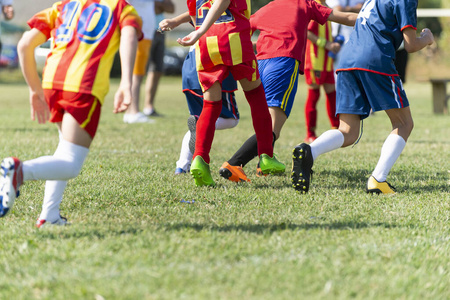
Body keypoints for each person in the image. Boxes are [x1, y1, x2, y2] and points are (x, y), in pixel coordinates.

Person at [0, 0, 142, 226]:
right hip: (83, 86)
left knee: (64, 147)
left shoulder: (63, 6)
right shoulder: (121, 8)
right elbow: (129, 36)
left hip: (51, 82)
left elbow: (25, 44)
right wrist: (126, 83)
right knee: (71, 163)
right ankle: (19, 171)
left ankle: (50, 216)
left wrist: (36, 90)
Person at [291, 0, 434, 194]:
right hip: (375, 59)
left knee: (348, 132)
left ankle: (310, 151)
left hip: (347, 60)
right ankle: (378, 179)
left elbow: (356, 19)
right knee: (404, 124)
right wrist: (426, 38)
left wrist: (325, 13)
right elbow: (410, 45)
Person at [219, 0, 357, 183]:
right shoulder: (305, 4)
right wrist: (374, 19)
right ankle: (234, 164)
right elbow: (346, 17)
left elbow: (241, 32)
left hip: (261, 64)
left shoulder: (267, 8)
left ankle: (263, 165)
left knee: (267, 120)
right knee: (273, 127)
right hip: (284, 62)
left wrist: (260, 44)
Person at [161, 0, 286, 187]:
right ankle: (266, 155)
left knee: (211, 105)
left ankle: (199, 160)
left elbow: (196, 13)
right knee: (255, 95)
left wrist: (200, 30)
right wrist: (199, 30)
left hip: (206, 44)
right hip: (233, 36)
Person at [175, 46, 240, 175]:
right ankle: (201, 125)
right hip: (214, 61)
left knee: (198, 118)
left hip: (190, 68)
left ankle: (182, 166)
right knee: (232, 119)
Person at [303, 0, 341, 143]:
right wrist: (327, 44)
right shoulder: (313, 6)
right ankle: (310, 133)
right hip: (314, 60)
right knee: (314, 95)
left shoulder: (326, 6)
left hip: (327, 61)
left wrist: (334, 42)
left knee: (332, 93)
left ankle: (336, 129)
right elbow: (306, 31)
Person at [123, 0, 156, 124]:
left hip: (146, 33)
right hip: (139, 32)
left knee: (139, 73)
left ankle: (132, 110)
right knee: (135, 74)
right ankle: (132, 111)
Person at [142, 0, 174, 117]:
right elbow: (150, 7)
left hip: (160, 32)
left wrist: (158, 5)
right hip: (145, 31)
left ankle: (148, 107)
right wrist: (161, 6)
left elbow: (171, 8)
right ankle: (131, 107)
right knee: (139, 71)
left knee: (156, 70)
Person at [326, 0, 365, 68]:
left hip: (356, 34)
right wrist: (355, 8)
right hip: (338, 37)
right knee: (337, 67)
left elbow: (364, 9)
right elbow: (338, 10)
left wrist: (346, 9)